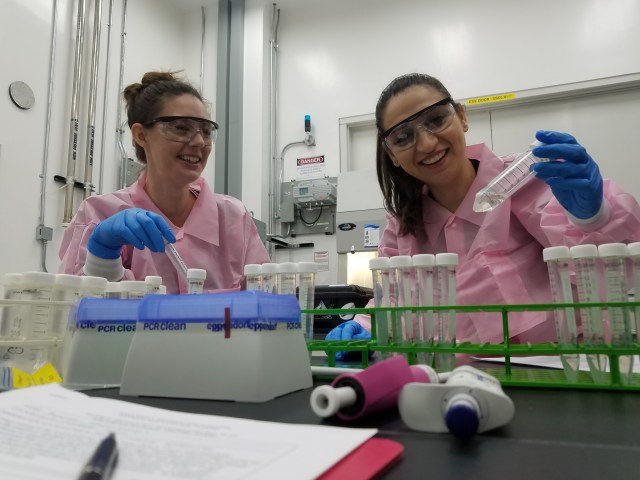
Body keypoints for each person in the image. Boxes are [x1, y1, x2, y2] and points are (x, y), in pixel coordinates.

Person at [327, 72, 640, 359]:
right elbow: (395, 299)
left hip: (561, 372)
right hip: (457, 382)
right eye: (403, 137)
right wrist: (367, 325)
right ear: (392, 154)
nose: (426, 143)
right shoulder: (404, 224)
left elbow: (610, 271)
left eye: (436, 119)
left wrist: (593, 217)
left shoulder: (528, 180)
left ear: (462, 117)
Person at [59, 71, 270, 293]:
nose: (199, 141)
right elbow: (70, 308)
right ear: (141, 135)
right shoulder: (98, 215)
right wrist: (102, 256)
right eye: (181, 128)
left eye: (206, 131)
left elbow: (267, 301)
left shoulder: (233, 218)